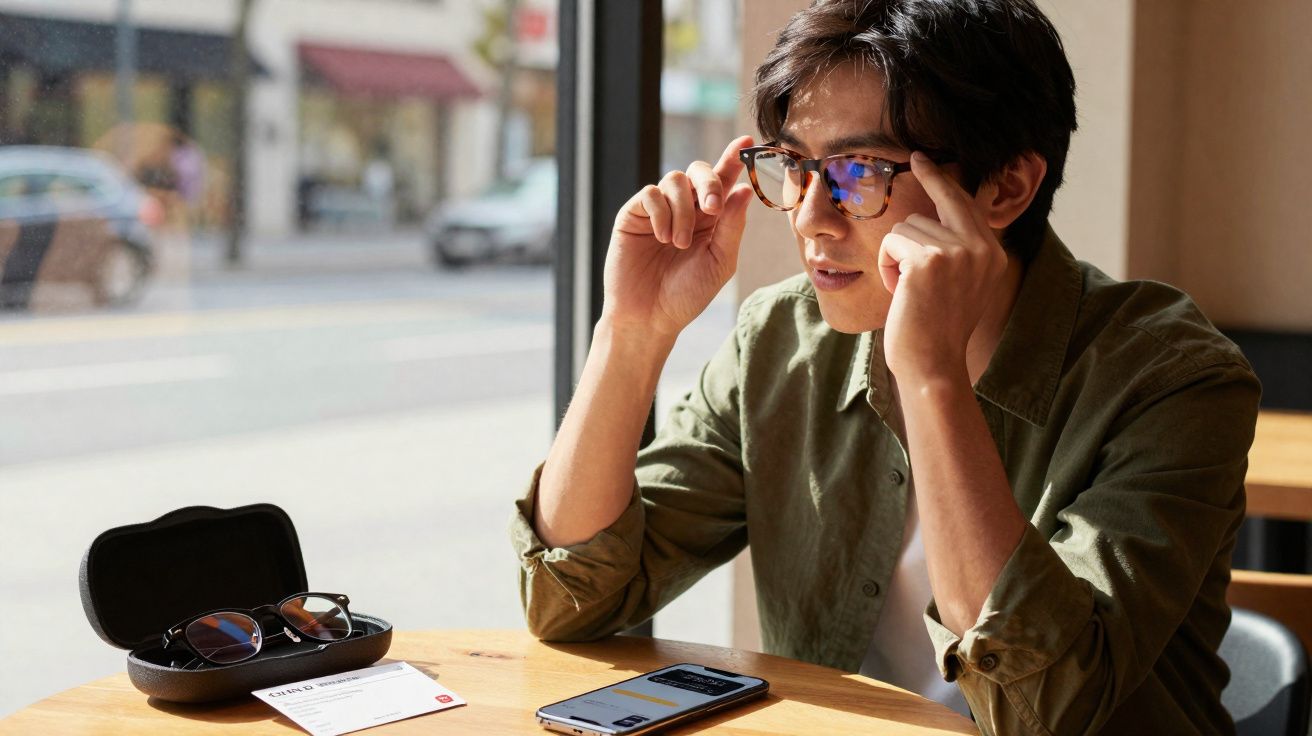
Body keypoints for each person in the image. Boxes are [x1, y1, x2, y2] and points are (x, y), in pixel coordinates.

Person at [509, 1, 1260, 733]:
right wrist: (630, 332)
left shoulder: (1172, 377)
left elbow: (1048, 706)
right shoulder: (780, 335)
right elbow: (573, 597)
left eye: (858, 171)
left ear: (1006, 187)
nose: (810, 216)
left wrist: (931, 377)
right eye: (797, 167)